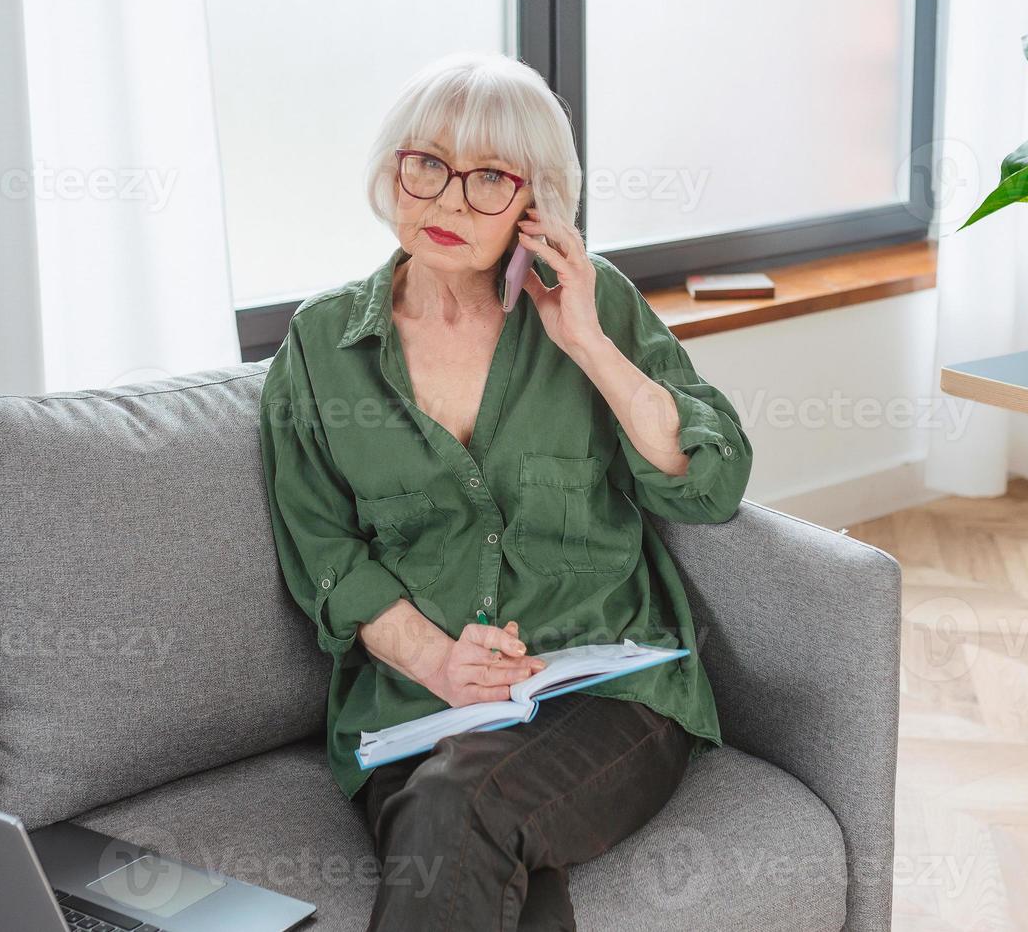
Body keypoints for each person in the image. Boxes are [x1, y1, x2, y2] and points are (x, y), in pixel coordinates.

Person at [257, 50, 753, 931]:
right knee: (497, 869)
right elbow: (323, 548)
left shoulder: (599, 309)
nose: (448, 199)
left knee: (458, 810)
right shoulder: (321, 344)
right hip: (417, 704)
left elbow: (709, 484)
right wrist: (436, 662)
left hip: (606, 695)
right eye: (427, 164)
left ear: (535, 202)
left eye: (489, 177)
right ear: (391, 169)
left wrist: (591, 347)